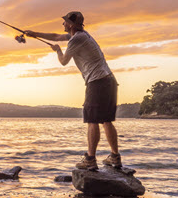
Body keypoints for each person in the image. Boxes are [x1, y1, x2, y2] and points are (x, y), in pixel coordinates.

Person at [25, 11, 120, 170]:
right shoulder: (82, 35)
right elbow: (56, 36)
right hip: (109, 81)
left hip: (97, 82)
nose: (62, 23)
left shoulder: (76, 39)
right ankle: (115, 157)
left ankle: (90, 159)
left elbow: (63, 61)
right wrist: (34, 34)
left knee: (92, 121)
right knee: (106, 121)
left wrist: (57, 51)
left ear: (70, 25)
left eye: (65, 21)